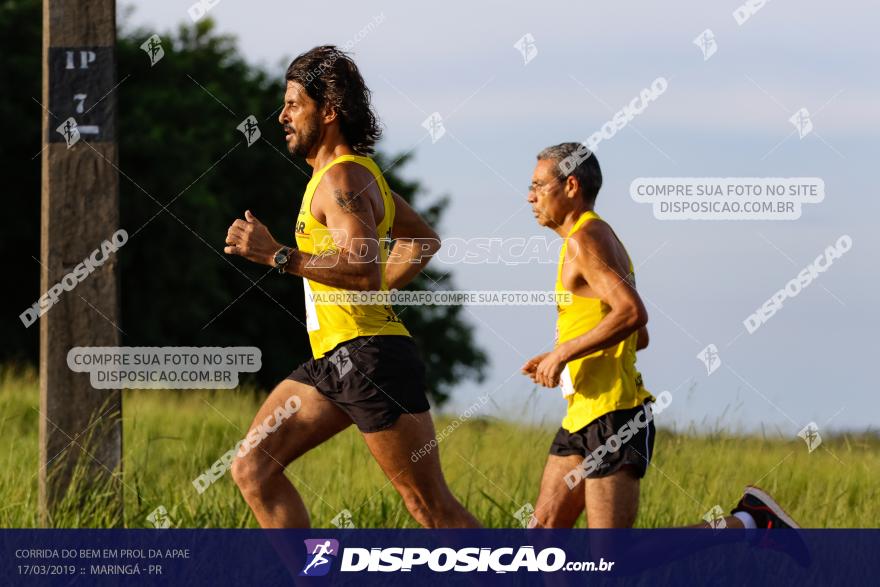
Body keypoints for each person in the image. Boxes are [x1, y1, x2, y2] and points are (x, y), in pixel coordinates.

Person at [225, 45, 479, 529]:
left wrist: (279, 255)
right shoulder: (346, 175)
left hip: (370, 359)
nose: (281, 115)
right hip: (335, 359)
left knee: (429, 506)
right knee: (253, 468)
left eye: (294, 104)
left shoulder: (343, 177)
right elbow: (422, 241)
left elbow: (362, 270)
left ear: (329, 111)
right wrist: (376, 291)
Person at [521, 142, 800, 532]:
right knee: (543, 540)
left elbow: (633, 314)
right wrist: (562, 357)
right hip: (583, 416)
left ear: (570, 185)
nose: (529, 196)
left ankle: (748, 522)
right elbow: (640, 335)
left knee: (612, 560)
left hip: (614, 418)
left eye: (537, 185)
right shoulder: (591, 239)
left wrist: (565, 352)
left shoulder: (587, 240)